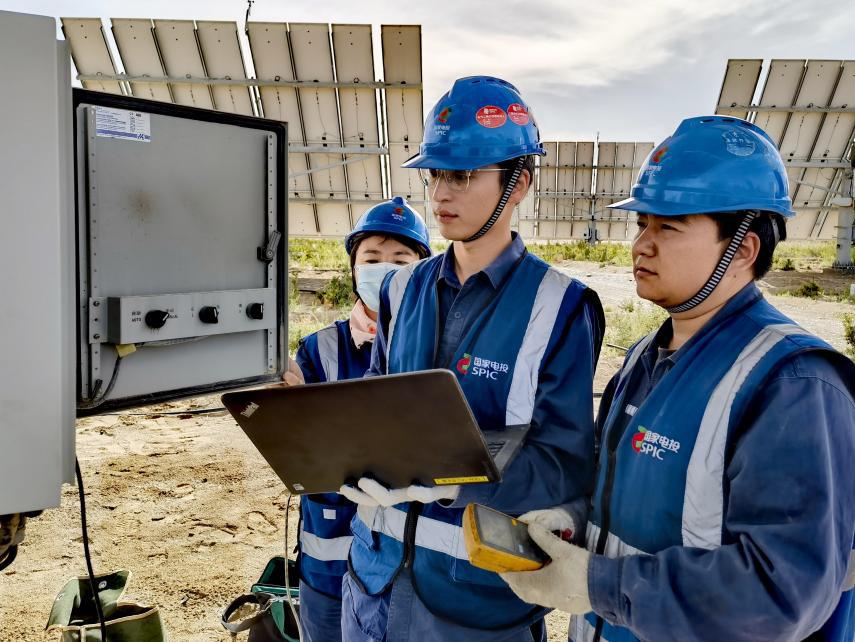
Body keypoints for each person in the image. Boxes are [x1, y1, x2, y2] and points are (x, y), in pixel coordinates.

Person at [500, 115, 855, 642]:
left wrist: (601, 585)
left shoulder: (793, 384)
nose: (641, 244)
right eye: (642, 223)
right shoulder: (647, 355)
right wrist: (573, 518)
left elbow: (781, 593)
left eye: (668, 227)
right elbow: (632, 495)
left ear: (744, 249)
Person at [335, 76, 605, 641]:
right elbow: (375, 409)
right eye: (435, 175)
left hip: (476, 606)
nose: (439, 195)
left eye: (462, 176)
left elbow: (564, 466)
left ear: (519, 183)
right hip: (374, 586)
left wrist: (458, 480)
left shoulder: (561, 308)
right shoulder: (400, 291)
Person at [294, 197, 431, 642]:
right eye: (371, 258)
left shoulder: (437, 353)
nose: (385, 270)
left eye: (401, 259)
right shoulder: (318, 351)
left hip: (411, 572)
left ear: (423, 269)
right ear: (353, 267)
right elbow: (296, 453)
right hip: (328, 568)